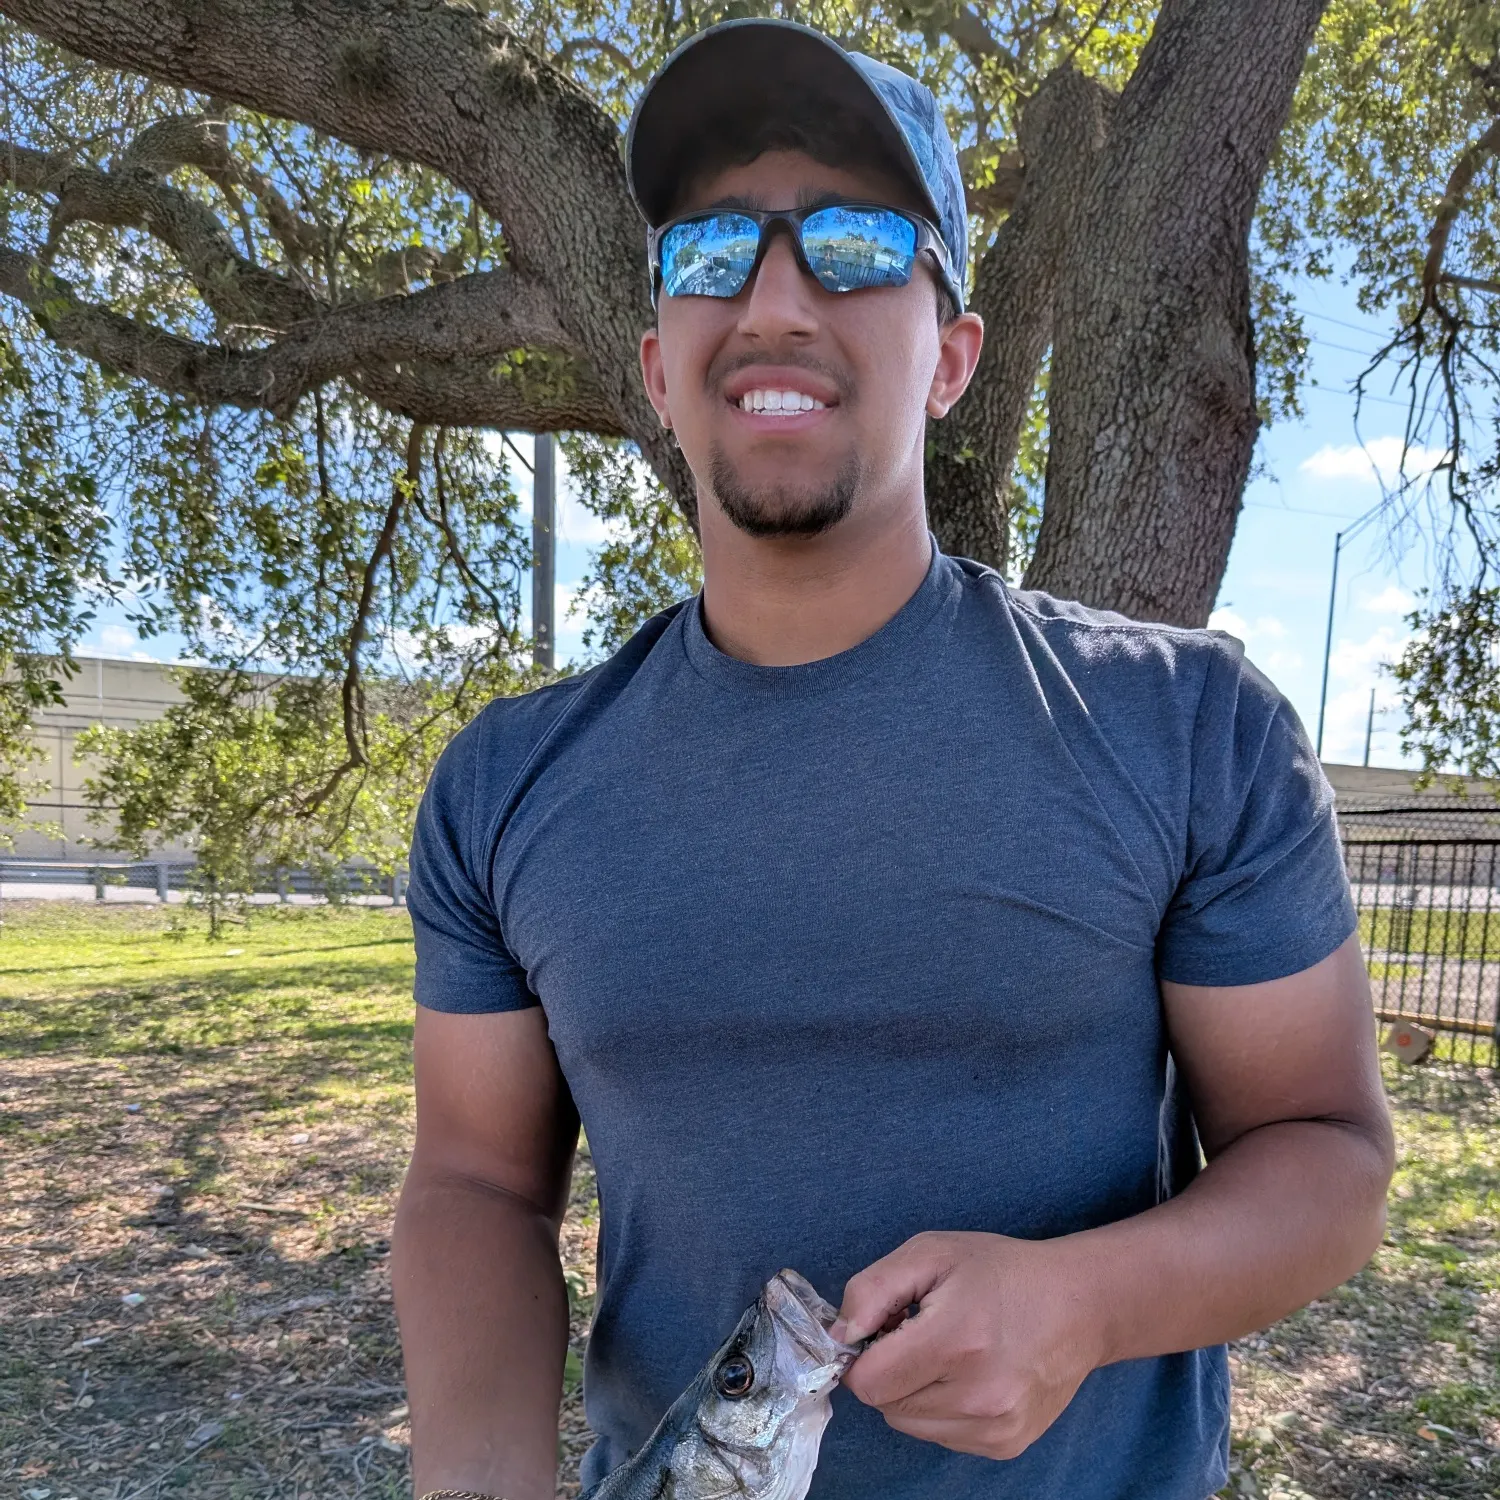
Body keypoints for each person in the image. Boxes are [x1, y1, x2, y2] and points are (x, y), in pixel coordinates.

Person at [392, 19, 1394, 1500]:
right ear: (659, 368)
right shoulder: (505, 786)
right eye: (710, 253)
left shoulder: (1188, 729)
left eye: (859, 245)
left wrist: (1087, 1305)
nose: (777, 297)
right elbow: (475, 1179)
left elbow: (1326, 1154)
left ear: (954, 358)